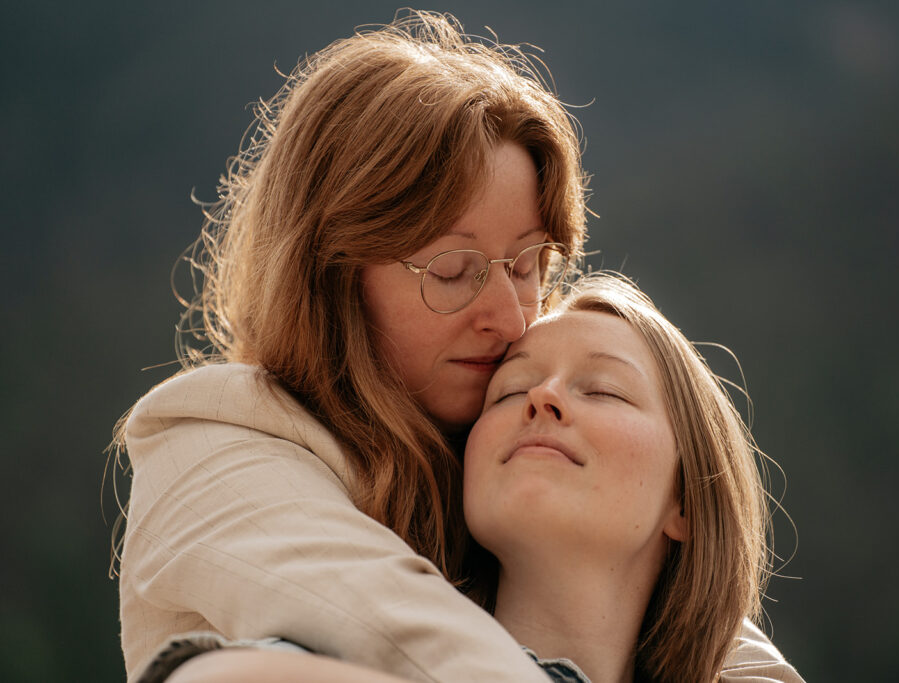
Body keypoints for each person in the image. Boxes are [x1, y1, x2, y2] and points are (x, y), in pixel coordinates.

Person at [112, 9, 799, 683]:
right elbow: (402, 627)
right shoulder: (213, 442)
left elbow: (697, 616)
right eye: (452, 270)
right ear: (331, 283)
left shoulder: (515, 448)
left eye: (529, 264)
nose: (510, 317)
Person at [162, 274, 803, 683]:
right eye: (510, 388)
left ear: (687, 501)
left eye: (603, 390)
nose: (543, 398)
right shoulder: (315, 663)